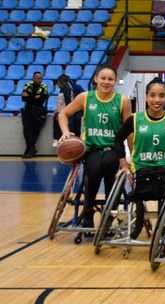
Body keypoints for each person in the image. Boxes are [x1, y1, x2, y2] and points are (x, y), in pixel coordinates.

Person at [59, 65, 132, 227]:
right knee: (93, 171)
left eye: (110, 79)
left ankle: (109, 216)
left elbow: (129, 131)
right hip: (91, 149)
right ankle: (88, 213)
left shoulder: (123, 101)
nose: (106, 82)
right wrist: (65, 132)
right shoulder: (85, 97)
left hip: (113, 149)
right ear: (96, 79)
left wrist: (133, 155)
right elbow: (63, 113)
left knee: (111, 174)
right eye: (103, 78)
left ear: (115, 81)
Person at [116, 77, 165, 206]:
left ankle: (164, 217)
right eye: (152, 95)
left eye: (162, 96)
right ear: (146, 97)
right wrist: (124, 165)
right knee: (142, 191)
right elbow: (117, 140)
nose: (157, 100)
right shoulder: (135, 119)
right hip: (142, 168)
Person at [21, 71, 49, 158]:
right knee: (26, 130)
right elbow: (23, 98)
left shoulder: (44, 86)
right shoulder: (27, 85)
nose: (39, 80)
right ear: (33, 78)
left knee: (35, 131)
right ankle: (30, 148)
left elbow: (41, 99)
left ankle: (30, 149)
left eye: (40, 78)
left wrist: (30, 96)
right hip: (27, 110)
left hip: (38, 111)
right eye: (37, 78)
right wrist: (35, 97)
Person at [52, 74, 84, 148]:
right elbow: (60, 102)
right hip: (68, 110)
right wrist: (58, 111)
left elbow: (84, 99)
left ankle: (75, 142)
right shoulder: (62, 89)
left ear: (62, 82)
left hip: (77, 111)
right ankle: (57, 138)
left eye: (58, 83)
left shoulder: (76, 88)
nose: (58, 85)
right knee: (57, 116)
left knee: (73, 120)